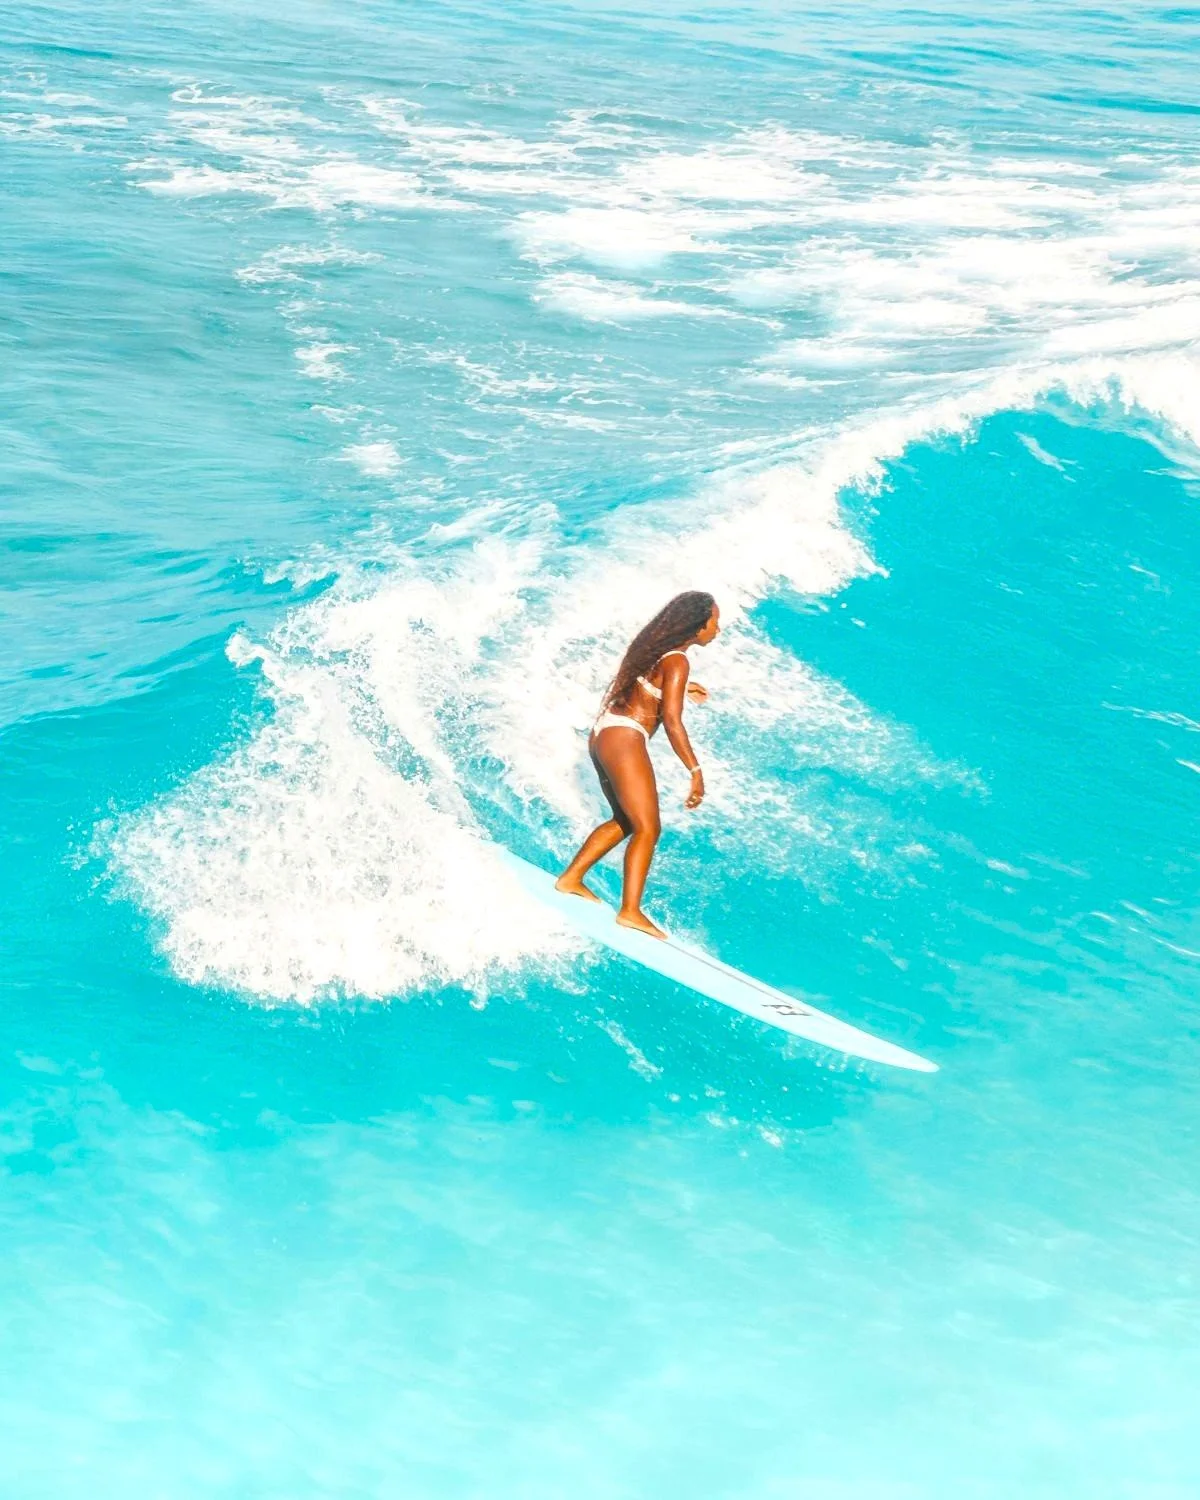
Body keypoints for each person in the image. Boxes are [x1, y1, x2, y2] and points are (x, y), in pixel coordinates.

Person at [556, 590, 720, 938]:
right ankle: (630, 911)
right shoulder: (678, 660)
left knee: (626, 820)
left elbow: (652, 689)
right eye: (714, 622)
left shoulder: (659, 652)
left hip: (605, 733)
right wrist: (695, 771)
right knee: (649, 827)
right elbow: (673, 722)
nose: (717, 629)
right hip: (626, 738)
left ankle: (572, 878)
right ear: (697, 626)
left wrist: (683, 688)